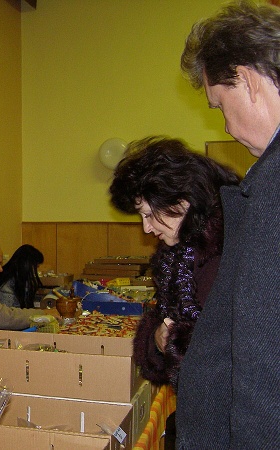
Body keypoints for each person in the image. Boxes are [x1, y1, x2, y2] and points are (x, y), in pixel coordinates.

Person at [176, 2, 280, 448]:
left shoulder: (274, 183)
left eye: (220, 105)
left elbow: (263, 354)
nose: (227, 126)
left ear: (248, 80)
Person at [109, 136, 239, 449]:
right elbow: (162, 318)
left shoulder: (231, 251)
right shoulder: (175, 254)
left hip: (232, 423)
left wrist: (183, 342)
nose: (146, 228)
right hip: (198, 415)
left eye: (149, 214)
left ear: (181, 201)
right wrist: (158, 338)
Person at [0, 244, 44, 309]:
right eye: (36, 267)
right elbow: (8, 314)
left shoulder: (13, 278)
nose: (35, 271)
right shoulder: (7, 288)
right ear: (27, 265)